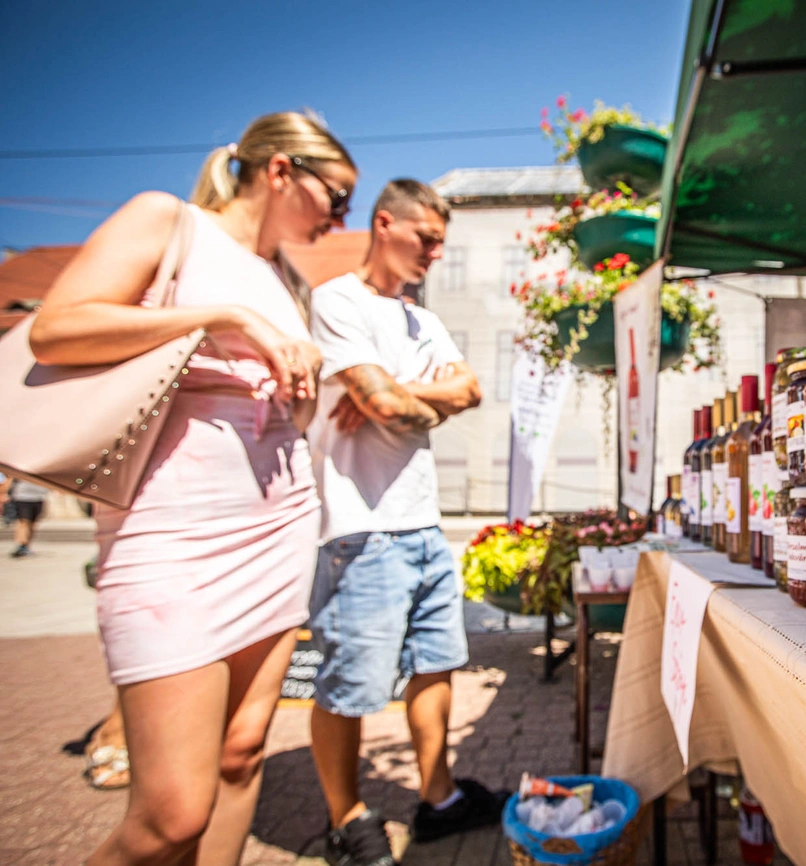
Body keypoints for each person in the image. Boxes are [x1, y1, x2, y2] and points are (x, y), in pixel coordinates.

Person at [29, 111, 356, 865]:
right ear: (280, 172)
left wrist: (299, 388)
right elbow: (56, 329)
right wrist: (224, 315)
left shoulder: (290, 280)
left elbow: (287, 415)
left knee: (241, 754)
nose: (339, 217)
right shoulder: (167, 222)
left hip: (276, 531)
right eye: (335, 197)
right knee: (170, 817)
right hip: (169, 530)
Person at [307, 179, 494, 865]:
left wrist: (399, 389)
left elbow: (468, 390)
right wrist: (401, 398)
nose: (436, 253)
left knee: (436, 664)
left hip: (422, 522)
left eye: (442, 242)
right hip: (359, 527)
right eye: (426, 238)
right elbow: (386, 410)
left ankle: (438, 798)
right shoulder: (335, 302)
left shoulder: (423, 318)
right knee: (349, 685)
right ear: (384, 224)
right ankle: (345, 817)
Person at [6, 476, 49, 557]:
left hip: (39, 497)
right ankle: (21, 545)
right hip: (23, 497)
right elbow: (11, 477)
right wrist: (4, 493)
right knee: (24, 522)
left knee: (33, 523)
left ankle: (27, 545)